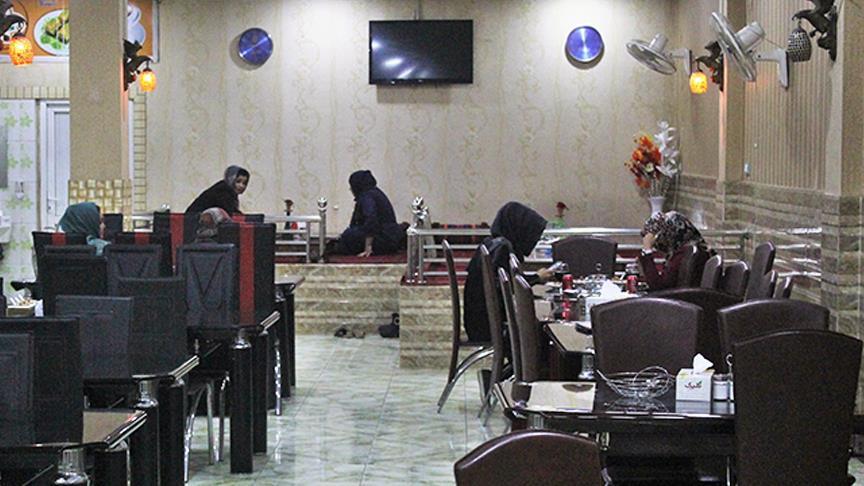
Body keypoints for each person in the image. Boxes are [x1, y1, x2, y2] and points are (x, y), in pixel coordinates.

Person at [463, 202, 554, 342]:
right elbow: (511, 287)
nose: (534, 240)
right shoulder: (502, 249)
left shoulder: (490, 243)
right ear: (520, 229)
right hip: (492, 329)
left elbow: (507, 283)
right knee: (544, 335)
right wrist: (537, 277)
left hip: (479, 323)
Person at [336, 170, 404, 256]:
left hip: (384, 238)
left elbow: (371, 220)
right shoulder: (375, 193)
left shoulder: (367, 197)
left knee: (349, 235)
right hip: (390, 237)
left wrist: (368, 246)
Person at [638, 211, 711, 290]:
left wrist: (647, 251)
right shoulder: (694, 249)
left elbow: (659, 287)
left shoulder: (683, 255)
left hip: (680, 297)